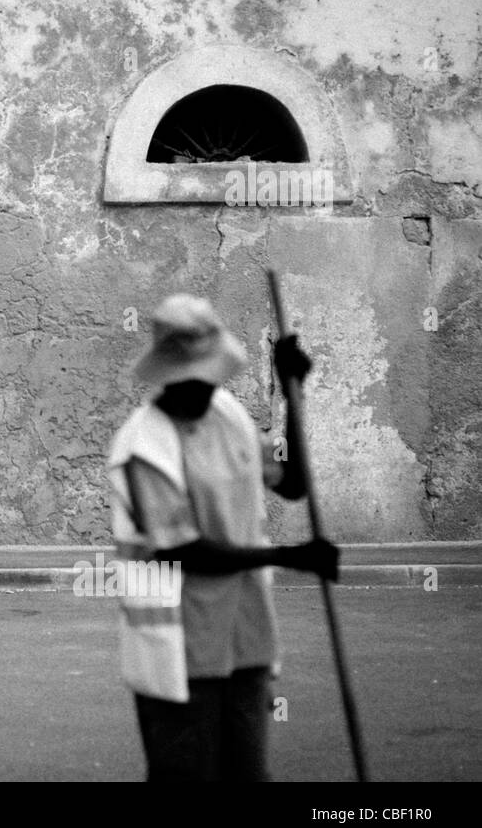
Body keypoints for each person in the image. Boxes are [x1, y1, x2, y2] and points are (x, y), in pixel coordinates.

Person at [106, 293, 339, 782]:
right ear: (167, 373)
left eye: (212, 375)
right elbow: (183, 550)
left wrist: (295, 392)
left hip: (245, 635)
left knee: (248, 775)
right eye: (195, 376)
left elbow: (291, 482)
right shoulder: (143, 445)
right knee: (186, 775)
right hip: (177, 650)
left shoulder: (226, 414)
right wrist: (291, 557)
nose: (206, 387)